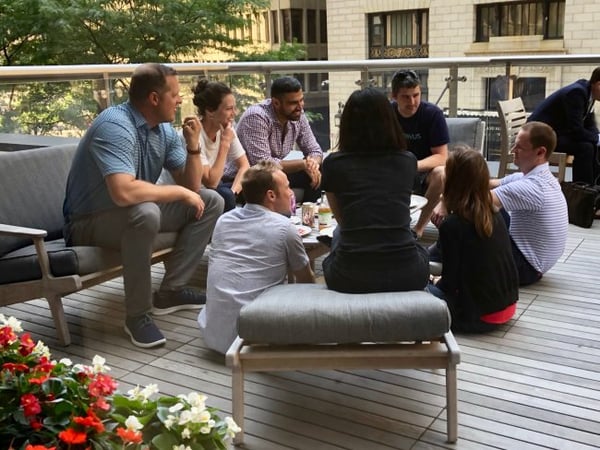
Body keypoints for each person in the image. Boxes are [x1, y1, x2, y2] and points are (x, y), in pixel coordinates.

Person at [63, 63, 224, 348]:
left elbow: (192, 188)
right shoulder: (115, 126)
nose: (180, 100)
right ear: (154, 98)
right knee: (146, 212)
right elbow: (123, 192)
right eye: (174, 94)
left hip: (130, 214)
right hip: (88, 222)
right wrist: (177, 192)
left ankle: (171, 291)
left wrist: (193, 147)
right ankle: (137, 316)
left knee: (211, 201)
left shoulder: (162, 131)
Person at [198, 160, 315, 354]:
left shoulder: (223, 221)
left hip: (213, 333)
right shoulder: (285, 228)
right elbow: (306, 281)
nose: (291, 193)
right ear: (271, 195)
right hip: (255, 337)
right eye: (287, 187)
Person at [321, 87, 429, 293]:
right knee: (412, 242)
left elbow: (344, 222)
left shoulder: (333, 164)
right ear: (390, 121)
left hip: (347, 278)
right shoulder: (407, 161)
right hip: (409, 274)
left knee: (337, 233)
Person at [427, 146, 519, 332]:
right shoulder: (496, 213)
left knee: (416, 287)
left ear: (451, 180)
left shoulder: (453, 225)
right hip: (507, 306)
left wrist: (433, 280)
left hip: (479, 316)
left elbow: (449, 285)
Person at [229, 76, 323, 202]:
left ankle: (309, 217)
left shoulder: (297, 115)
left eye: (301, 100)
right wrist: (302, 164)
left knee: (320, 170)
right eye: (293, 103)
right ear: (276, 103)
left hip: (273, 174)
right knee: (269, 176)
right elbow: (263, 164)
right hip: (247, 179)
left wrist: (312, 164)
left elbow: (315, 150)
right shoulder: (257, 117)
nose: (300, 107)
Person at [391, 69, 449, 239]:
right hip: (394, 170)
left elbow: (442, 156)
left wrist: (411, 166)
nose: (412, 102)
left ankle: (418, 228)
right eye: (406, 97)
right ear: (394, 96)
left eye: (416, 95)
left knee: (442, 173)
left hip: (425, 171)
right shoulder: (387, 113)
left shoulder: (432, 114)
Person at [528, 67, 600, 184]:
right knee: (585, 148)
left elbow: (589, 123)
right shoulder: (577, 93)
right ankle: (582, 191)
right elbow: (576, 130)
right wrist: (596, 138)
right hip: (540, 137)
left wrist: (597, 136)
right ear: (598, 84)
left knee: (592, 145)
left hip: (556, 132)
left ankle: (593, 187)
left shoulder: (588, 92)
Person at [190, 79, 249, 211]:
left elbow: (244, 166)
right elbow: (211, 182)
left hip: (218, 188)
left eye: (234, 108)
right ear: (210, 111)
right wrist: (225, 143)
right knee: (225, 195)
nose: (235, 113)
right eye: (229, 109)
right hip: (195, 192)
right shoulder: (194, 135)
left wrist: (234, 192)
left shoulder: (226, 128)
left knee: (256, 187)